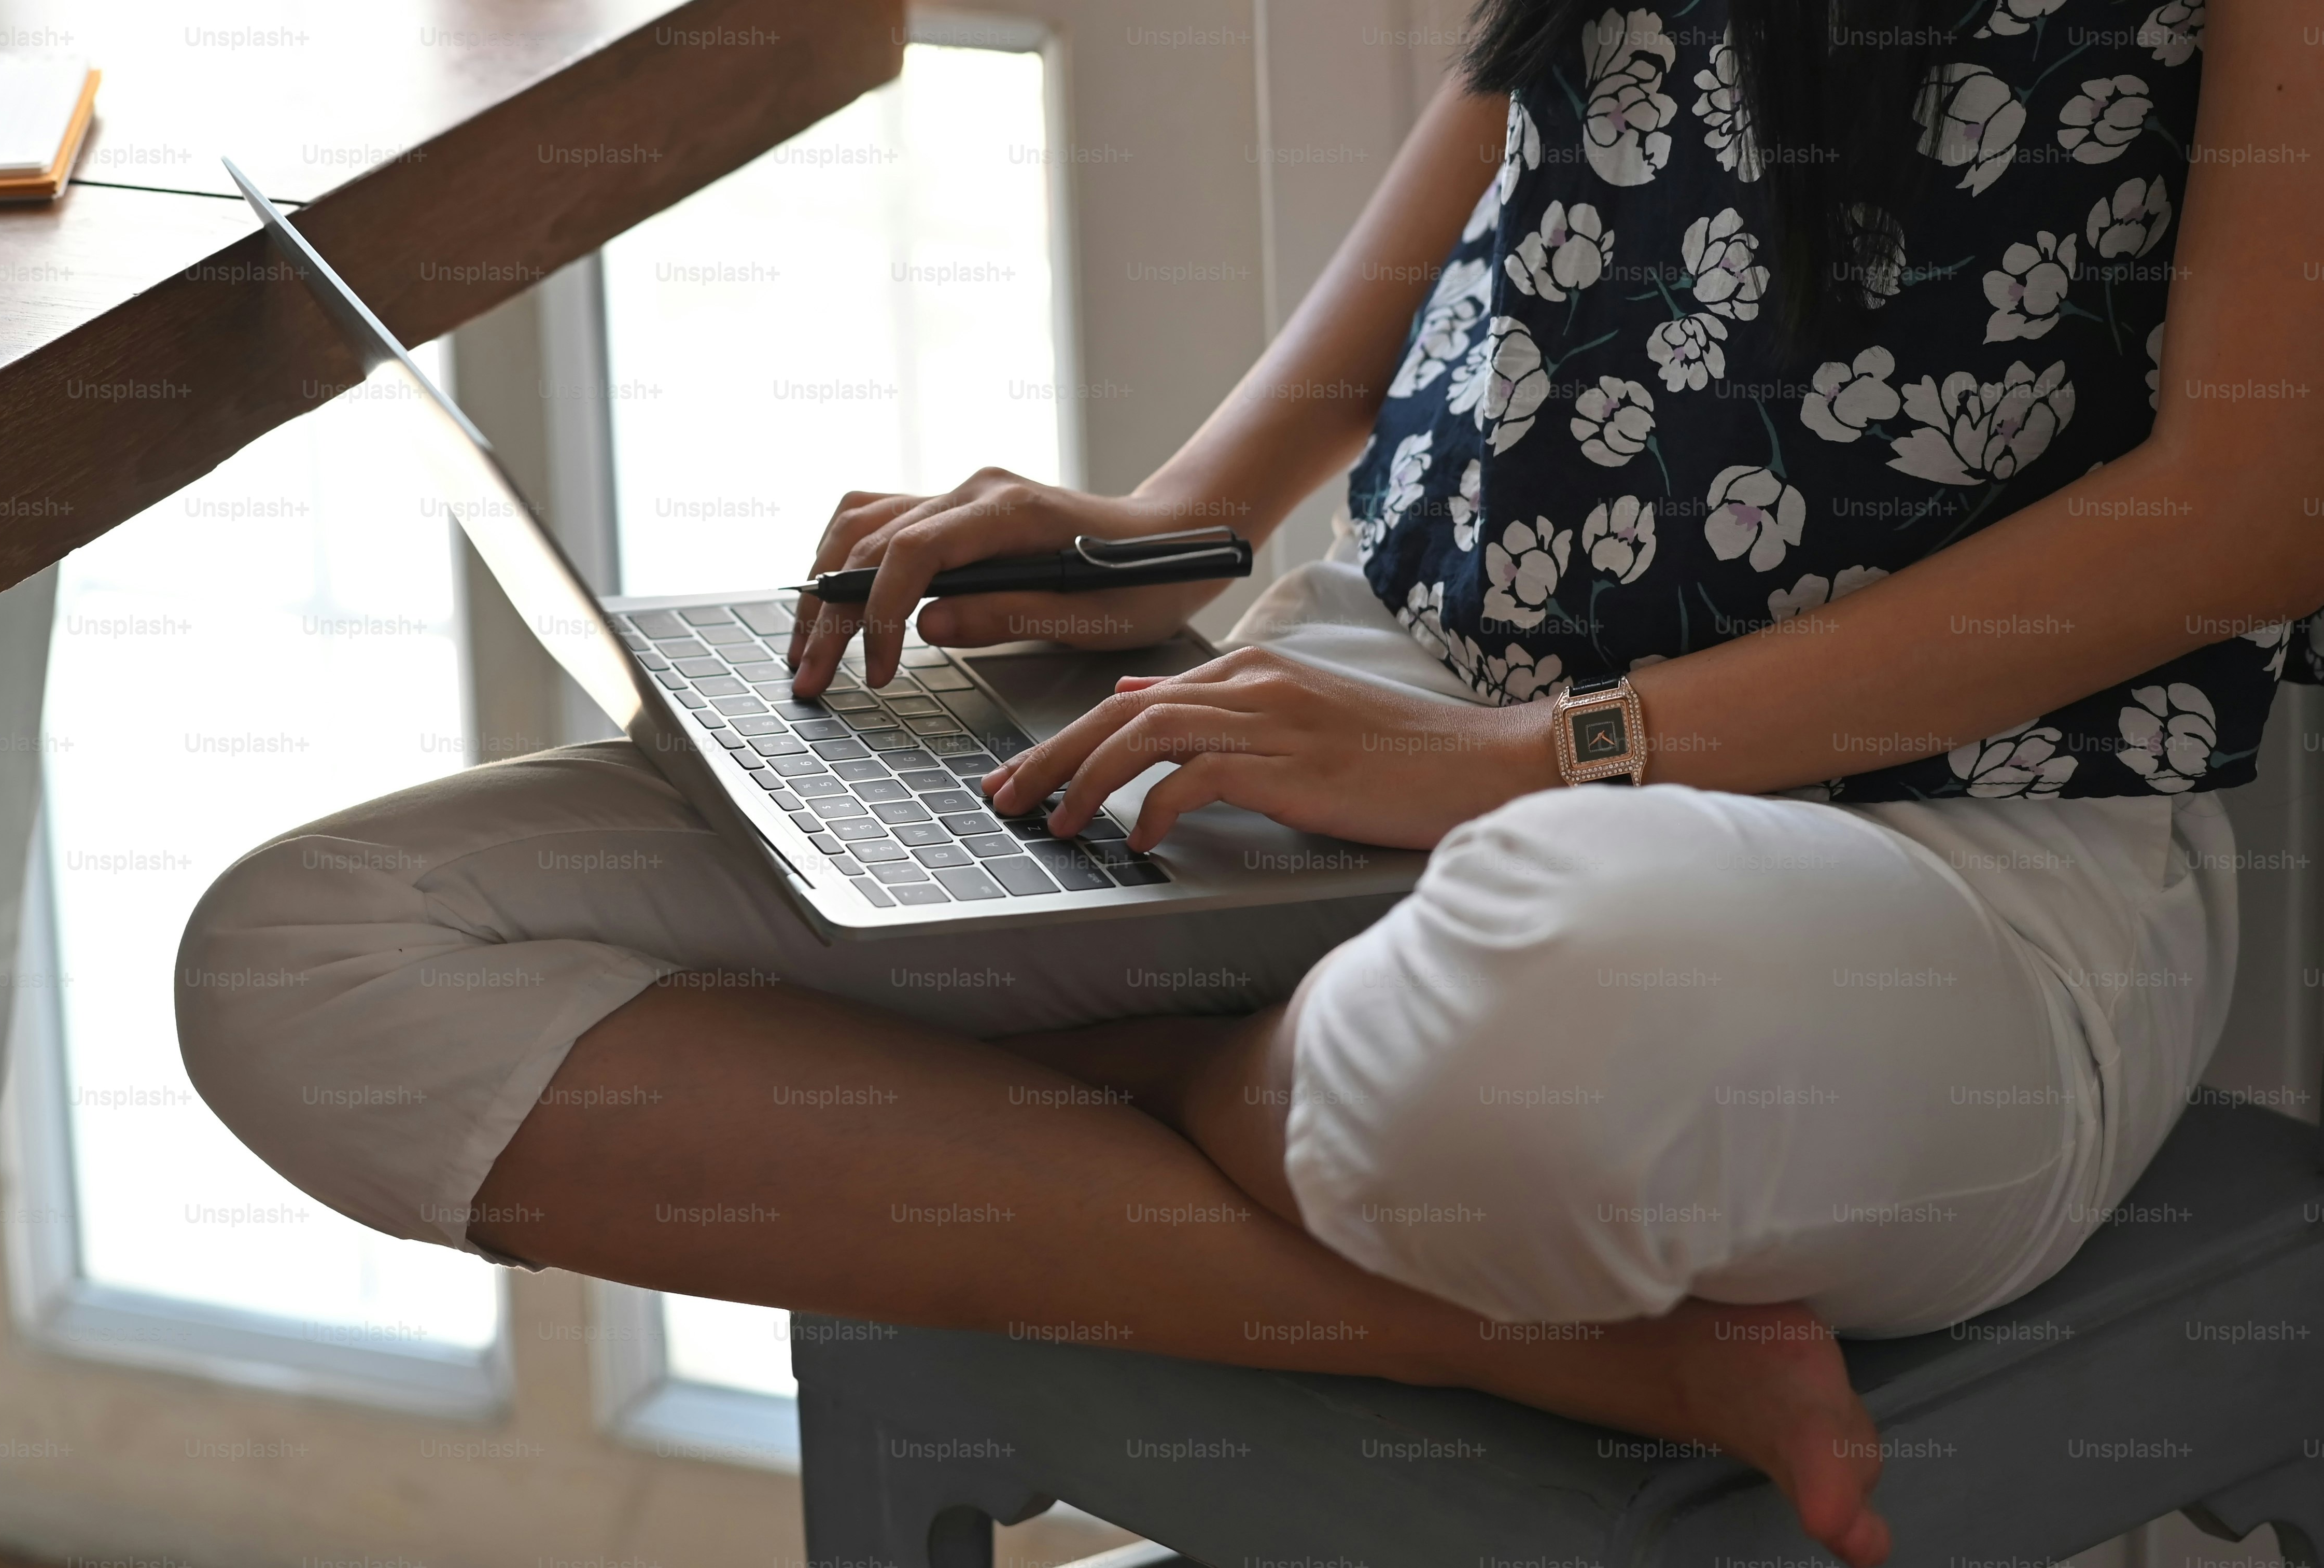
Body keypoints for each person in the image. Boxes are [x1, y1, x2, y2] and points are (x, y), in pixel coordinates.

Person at [175, 0, 2321, 1556]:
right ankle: (1522, 1328)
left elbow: (2254, 498)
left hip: (1924, 864)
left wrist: (1524, 769)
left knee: (1556, 988)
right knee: (313, 957)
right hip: (1355, 732)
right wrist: (1170, 525)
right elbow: (1539, 134)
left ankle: (1160, 1058)